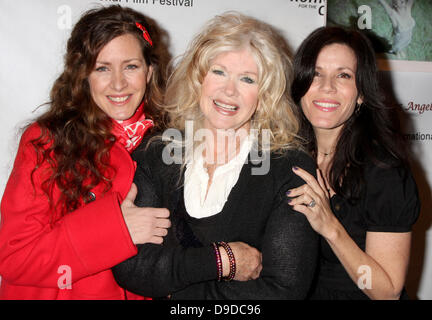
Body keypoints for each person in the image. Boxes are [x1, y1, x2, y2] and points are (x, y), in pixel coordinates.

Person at [112, 12, 319, 299]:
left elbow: (283, 290)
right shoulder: (158, 154)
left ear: (265, 94)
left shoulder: (288, 168)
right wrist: (223, 261)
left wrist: (181, 295)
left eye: (247, 79)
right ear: (199, 79)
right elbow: (132, 268)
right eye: (219, 72)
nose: (229, 90)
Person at [0, 5, 171, 300]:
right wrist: (117, 230)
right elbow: (16, 258)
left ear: (149, 71)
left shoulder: (171, 143)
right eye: (102, 68)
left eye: (131, 66)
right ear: (83, 75)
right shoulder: (47, 141)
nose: (118, 83)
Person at [288, 26, 420, 300]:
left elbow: (386, 292)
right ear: (300, 86)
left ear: (361, 94)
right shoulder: (288, 157)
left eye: (343, 76)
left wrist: (330, 227)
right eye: (316, 73)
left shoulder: (384, 173)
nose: (327, 87)